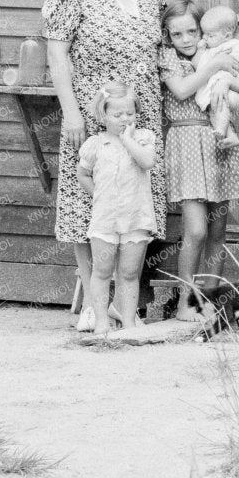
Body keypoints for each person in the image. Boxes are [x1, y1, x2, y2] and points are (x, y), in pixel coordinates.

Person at [42, 0, 170, 331]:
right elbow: (57, 55)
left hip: (140, 110)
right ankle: (94, 305)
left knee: (132, 201)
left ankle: (122, 304)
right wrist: (72, 112)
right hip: (93, 110)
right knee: (89, 203)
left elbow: (160, 49)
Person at [158, 0, 239, 323]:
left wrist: (228, 79)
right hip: (186, 143)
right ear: (168, 36)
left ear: (202, 31)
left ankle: (208, 301)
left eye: (191, 32)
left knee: (217, 230)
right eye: (177, 34)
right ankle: (186, 301)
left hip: (218, 141)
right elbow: (184, 90)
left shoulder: (218, 51)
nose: (185, 39)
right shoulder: (169, 58)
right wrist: (216, 68)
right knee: (196, 231)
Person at [76, 80, 157, 333]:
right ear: (103, 115)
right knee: (101, 271)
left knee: (130, 272)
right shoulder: (95, 144)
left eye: (130, 114)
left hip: (136, 217)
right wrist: (100, 196)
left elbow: (146, 162)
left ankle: (129, 321)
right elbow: (83, 174)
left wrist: (127, 138)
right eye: (117, 114)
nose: (124, 118)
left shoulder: (143, 138)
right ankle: (101, 321)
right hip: (106, 218)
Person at [195, 6, 239, 147]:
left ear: (227, 35)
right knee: (214, 110)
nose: (205, 38)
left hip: (232, 94)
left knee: (219, 104)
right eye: (204, 34)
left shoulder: (234, 45)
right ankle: (230, 136)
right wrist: (201, 49)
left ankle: (221, 129)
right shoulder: (210, 50)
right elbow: (199, 66)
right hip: (216, 92)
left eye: (210, 35)